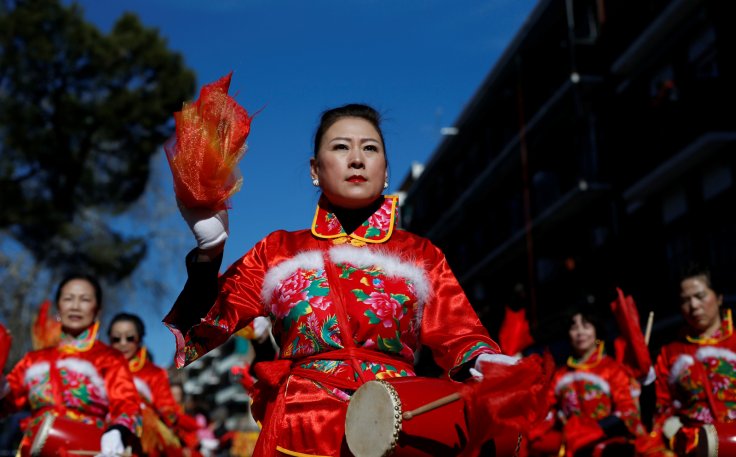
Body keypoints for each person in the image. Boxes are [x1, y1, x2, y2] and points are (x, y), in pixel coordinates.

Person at [164, 103, 514, 456]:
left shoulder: (420, 255)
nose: (357, 159)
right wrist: (209, 253)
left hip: (399, 426)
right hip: (302, 431)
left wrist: (483, 360)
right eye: (341, 146)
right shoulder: (278, 251)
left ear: (386, 170)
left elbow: (461, 335)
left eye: (370, 148)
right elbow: (204, 324)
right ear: (315, 170)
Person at [0, 273, 142, 456]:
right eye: (68, 298)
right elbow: (7, 402)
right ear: (58, 307)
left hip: (89, 449)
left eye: (84, 299)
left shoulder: (109, 358)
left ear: (97, 310)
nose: (75, 306)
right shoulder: (33, 360)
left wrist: (117, 431)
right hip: (36, 449)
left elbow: (127, 404)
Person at [527, 307, 666, 457]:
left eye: (586, 326)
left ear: (596, 331)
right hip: (574, 448)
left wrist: (595, 430)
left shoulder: (612, 369)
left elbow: (627, 410)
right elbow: (546, 411)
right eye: (574, 328)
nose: (580, 332)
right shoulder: (560, 376)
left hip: (611, 446)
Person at [652, 265, 736, 456]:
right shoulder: (670, 353)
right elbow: (661, 410)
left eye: (700, 296)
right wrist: (682, 440)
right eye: (685, 300)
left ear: (719, 297)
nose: (694, 306)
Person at [108, 312, 201, 456]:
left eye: (130, 337)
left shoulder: (154, 373)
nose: (123, 343)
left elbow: (167, 408)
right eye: (116, 338)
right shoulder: (99, 367)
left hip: (141, 444)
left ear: (139, 339)